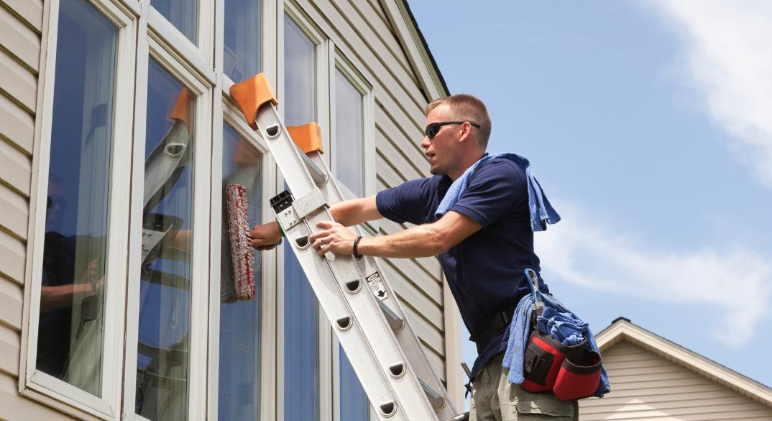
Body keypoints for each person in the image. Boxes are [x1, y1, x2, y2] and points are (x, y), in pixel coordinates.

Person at [248, 94, 576, 420]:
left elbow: (440, 236)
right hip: (489, 357)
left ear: (464, 130)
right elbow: (360, 208)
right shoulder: (435, 190)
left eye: (432, 130)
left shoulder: (501, 174)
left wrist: (358, 245)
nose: (423, 141)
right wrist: (281, 228)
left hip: (526, 352)